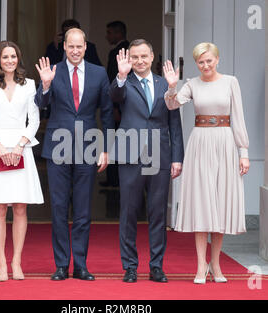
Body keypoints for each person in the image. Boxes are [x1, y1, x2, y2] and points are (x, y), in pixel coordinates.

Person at [163, 42, 250, 284]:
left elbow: (239, 118)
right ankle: (201, 265)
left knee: (220, 205)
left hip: (224, 143)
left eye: (209, 61)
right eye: (201, 62)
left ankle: (216, 264)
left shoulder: (231, 82)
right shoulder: (192, 84)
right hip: (200, 144)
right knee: (202, 204)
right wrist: (172, 86)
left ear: (217, 60)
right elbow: (172, 104)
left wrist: (243, 151)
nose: (205, 65)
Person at [35, 28, 114, 281]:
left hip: (89, 147)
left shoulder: (99, 73)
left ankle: (80, 265)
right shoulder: (53, 71)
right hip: (58, 146)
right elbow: (41, 104)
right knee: (58, 208)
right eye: (71, 46)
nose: (75, 51)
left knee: (82, 210)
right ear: (64, 46)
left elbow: (108, 113)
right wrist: (45, 85)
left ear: (85, 46)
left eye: (79, 46)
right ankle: (61, 265)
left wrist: (106, 148)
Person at [110, 40, 184, 283]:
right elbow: (115, 97)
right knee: (129, 212)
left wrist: (177, 158)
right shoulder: (125, 82)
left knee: (158, 213)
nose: (139, 61)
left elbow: (175, 123)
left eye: (144, 56)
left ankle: (156, 266)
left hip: (160, 155)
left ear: (152, 57)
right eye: (134, 57)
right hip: (131, 154)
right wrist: (121, 75)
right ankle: (130, 266)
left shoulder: (166, 84)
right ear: (129, 60)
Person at [0, 41, 44, 282]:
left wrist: (18, 146)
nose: (9, 61)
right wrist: (0, 148)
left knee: (20, 207)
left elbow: (34, 120)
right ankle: (0, 263)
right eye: (5, 57)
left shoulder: (29, 85)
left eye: (13, 56)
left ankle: (16, 261)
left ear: (18, 59)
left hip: (21, 148)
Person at [100, 21, 130, 188]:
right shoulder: (126, 49)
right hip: (122, 106)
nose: (107, 36)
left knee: (114, 140)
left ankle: (115, 179)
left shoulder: (118, 53)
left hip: (119, 106)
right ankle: (115, 178)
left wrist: (115, 107)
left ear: (118, 34)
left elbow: (115, 79)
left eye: (110, 33)